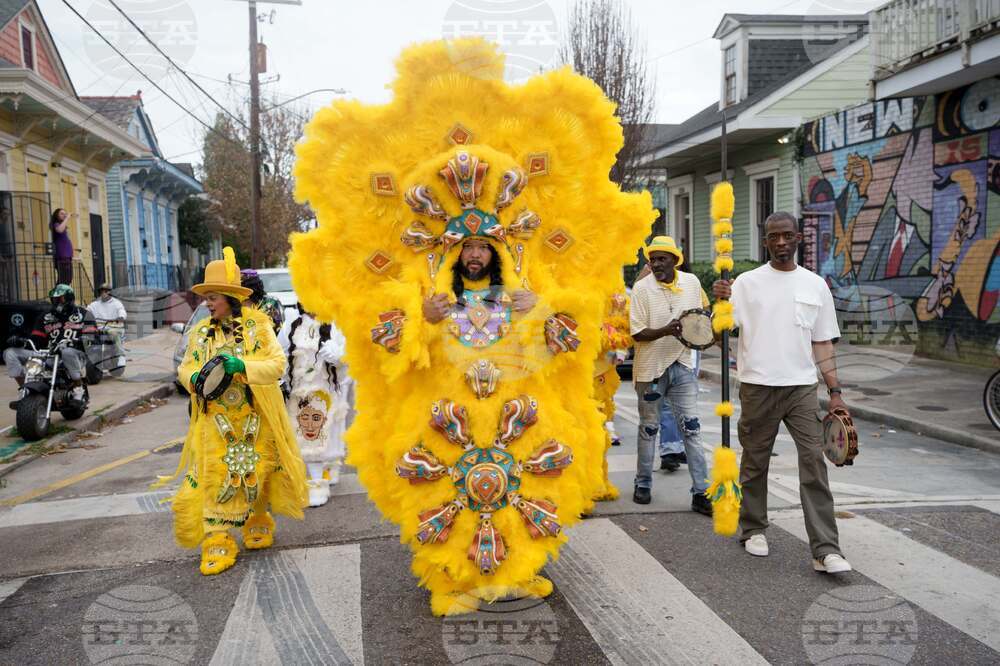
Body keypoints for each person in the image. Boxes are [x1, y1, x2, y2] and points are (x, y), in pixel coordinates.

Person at [712, 211, 852, 574]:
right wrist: (720, 305)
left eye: (787, 236)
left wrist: (835, 391)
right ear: (765, 240)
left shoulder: (815, 285)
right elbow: (719, 336)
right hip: (758, 385)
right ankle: (753, 528)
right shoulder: (744, 283)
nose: (780, 243)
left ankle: (825, 549)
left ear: (798, 238)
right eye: (773, 236)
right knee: (755, 462)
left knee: (813, 462)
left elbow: (823, 342)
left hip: (802, 387)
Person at [156, 248, 308, 576]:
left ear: (230, 296)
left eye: (213, 297)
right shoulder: (200, 334)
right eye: (206, 298)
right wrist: (194, 378)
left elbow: (277, 365)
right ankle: (218, 538)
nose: (208, 303)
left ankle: (258, 517)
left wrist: (243, 366)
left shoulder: (259, 326)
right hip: (214, 420)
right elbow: (185, 368)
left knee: (257, 474)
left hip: (255, 418)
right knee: (215, 477)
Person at [629, 236, 712, 515]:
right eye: (652, 259)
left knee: (692, 428)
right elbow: (638, 333)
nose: (656, 264)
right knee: (649, 429)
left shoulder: (692, 283)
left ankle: (701, 492)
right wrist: (668, 329)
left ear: (675, 260)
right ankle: (642, 483)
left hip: (683, 366)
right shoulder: (641, 289)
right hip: (650, 370)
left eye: (662, 259)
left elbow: (703, 313)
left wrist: (703, 332)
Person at [278, 304, 352, 508]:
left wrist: (337, 355)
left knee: (328, 433)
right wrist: (281, 379)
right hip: (300, 393)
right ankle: (315, 483)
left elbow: (349, 356)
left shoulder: (335, 323)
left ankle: (326, 471)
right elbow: (280, 353)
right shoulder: (292, 323)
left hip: (327, 392)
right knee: (307, 436)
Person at [4, 284, 95, 404]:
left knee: (67, 351)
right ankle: (25, 389)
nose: (57, 303)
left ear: (69, 298)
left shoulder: (84, 314)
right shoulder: (45, 317)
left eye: (60, 299)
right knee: (9, 353)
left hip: (75, 354)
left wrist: (73, 344)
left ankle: (79, 389)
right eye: (54, 300)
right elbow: (36, 339)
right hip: (50, 355)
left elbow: (91, 339)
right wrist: (21, 341)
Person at [87, 284, 128, 371]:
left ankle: (121, 356)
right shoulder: (95, 304)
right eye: (102, 291)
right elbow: (87, 311)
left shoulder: (117, 303)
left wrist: (120, 317)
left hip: (113, 327)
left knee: (113, 332)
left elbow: (122, 311)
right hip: (99, 328)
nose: (104, 293)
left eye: (106, 291)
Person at [50, 208, 73, 285]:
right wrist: (67, 218)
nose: (64, 215)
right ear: (57, 215)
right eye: (61, 213)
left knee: (68, 279)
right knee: (64, 279)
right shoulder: (56, 224)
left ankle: (59, 296)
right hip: (62, 257)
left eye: (65, 213)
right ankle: (56, 296)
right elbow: (59, 230)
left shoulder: (63, 226)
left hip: (67, 257)